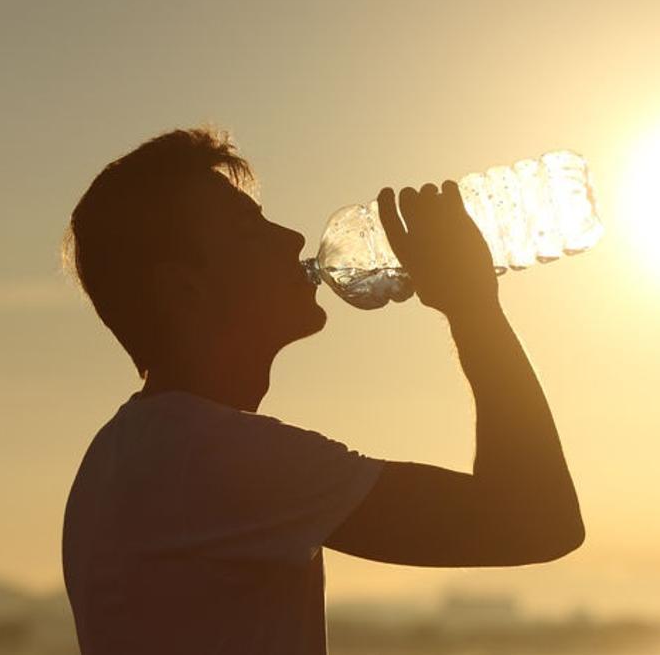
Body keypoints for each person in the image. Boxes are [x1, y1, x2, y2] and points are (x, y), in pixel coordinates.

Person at [60, 128, 584, 655]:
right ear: (184, 292)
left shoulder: (124, 456)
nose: (291, 238)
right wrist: (472, 305)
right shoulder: (206, 457)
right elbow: (537, 520)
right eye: (249, 231)